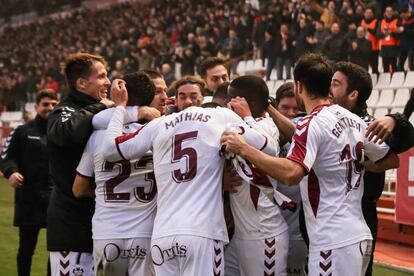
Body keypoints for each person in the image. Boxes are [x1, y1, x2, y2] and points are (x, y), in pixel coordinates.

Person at [221, 53, 400, 276]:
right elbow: (391, 159)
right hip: (358, 233)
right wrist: (353, 160)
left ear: (298, 86)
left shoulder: (310, 123)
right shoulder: (353, 120)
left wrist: (244, 149)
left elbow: (291, 174)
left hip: (332, 239)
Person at [101, 77, 277, 276]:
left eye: (193, 96)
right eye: (183, 96)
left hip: (163, 237)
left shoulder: (159, 124)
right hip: (202, 234)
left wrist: (120, 108)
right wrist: (247, 118)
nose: (188, 101)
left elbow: (110, 149)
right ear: (175, 100)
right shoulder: (220, 116)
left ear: (202, 97)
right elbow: (270, 148)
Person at [330, 61, 414, 276]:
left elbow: (404, 142)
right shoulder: (323, 120)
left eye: (335, 83)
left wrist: (395, 119)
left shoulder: (369, 126)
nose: (329, 88)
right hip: (324, 215)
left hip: (360, 214)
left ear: (353, 94)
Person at [73, 72, 160, 275]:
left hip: (108, 230)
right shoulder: (158, 132)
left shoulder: (97, 135)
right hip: (145, 232)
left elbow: (79, 189)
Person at [46, 53, 115, 276]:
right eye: (102, 76)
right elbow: (63, 132)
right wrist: (100, 107)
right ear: (82, 83)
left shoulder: (104, 111)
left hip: (99, 226)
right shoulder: (64, 109)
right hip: (71, 229)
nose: (108, 82)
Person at [224, 76, 289, 276]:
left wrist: (246, 117)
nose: (227, 104)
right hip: (242, 234)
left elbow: (268, 147)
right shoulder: (238, 125)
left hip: (264, 234)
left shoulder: (266, 125)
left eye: (232, 99)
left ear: (247, 103)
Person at [0, 90, 58, 276]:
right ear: (36, 107)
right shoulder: (22, 130)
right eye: (46, 104)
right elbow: (7, 157)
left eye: (53, 104)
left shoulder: (61, 133)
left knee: (56, 250)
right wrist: (11, 172)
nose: (50, 108)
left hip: (55, 201)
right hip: (28, 199)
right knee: (26, 249)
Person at [377, 6, 402, 72]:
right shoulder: (381, 22)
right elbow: (378, 35)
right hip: (384, 48)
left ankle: (396, 81)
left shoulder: (397, 21)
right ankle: (387, 81)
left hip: (393, 47)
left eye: (390, 11)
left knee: (394, 67)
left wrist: (392, 32)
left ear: (393, 12)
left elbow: (400, 35)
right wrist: (384, 34)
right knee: (385, 67)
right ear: (385, 12)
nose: (389, 13)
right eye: (387, 11)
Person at [361, 8, 380, 74]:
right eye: (367, 13)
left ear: (372, 14)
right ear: (364, 14)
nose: (368, 14)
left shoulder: (376, 21)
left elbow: (376, 33)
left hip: (374, 48)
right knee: (364, 66)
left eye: (370, 13)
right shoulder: (361, 21)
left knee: (374, 66)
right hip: (363, 48)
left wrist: (367, 28)